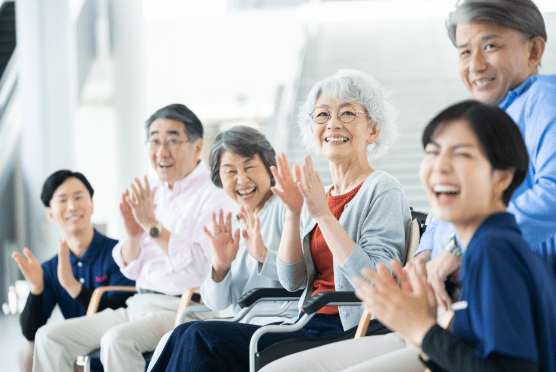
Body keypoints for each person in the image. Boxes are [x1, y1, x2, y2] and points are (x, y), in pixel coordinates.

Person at [149, 69, 411, 372]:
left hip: (344, 327)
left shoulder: (382, 188)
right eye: (323, 114)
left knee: (200, 338)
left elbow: (376, 281)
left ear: (373, 130)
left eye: (348, 113)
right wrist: (294, 213)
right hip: (308, 321)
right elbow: (292, 280)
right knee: (186, 334)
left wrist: (322, 216)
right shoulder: (320, 193)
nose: (333, 123)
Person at [31, 104, 236, 372]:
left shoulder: (214, 196)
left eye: (173, 140)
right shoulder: (149, 191)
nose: (162, 152)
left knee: (116, 340)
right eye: (154, 141)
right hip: (137, 304)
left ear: (197, 147)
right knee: (49, 338)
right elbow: (130, 266)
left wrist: (152, 226)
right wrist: (133, 236)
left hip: (184, 309)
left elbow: (204, 269)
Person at [355, 100, 556, 372]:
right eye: (432, 153)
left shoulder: (492, 249)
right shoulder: (491, 243)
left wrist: (422, 330)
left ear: (502, 178)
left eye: (461, 155)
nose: (440, 167)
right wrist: (427, 330)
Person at [413, 0, 556, 311]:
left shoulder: (544, 99)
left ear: (533, 51)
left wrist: (462, 246)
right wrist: (425, 253)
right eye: (465, 51)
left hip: (510, 299)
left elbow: (553, 193)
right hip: (462, 295)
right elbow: (450, 197)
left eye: (490, 46)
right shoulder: (482, 119)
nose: (474, 65)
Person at [146, 125, 299, 371]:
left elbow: (300, 277)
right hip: (244, 324)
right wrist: (220, 266)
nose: (242, 180)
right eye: (230, 172)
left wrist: (263, 256)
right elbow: (216, 302)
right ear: (220, 178)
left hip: (281, 324)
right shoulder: (235, 222)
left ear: (269, 169)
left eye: (249, 167)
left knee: (198, 335)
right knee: (175, 337)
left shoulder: (288, 209)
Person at [12, 170, 135, 372]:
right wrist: (36, 288)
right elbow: (30, 332)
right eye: (62, 200)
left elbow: (123, 313)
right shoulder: (51, 268)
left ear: (92, 205)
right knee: (27, 353)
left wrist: (72, 286)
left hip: (114, 349)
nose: (72, 206)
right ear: (51, 213)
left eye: (79, 197)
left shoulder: (119, 253)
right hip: (75, 355)